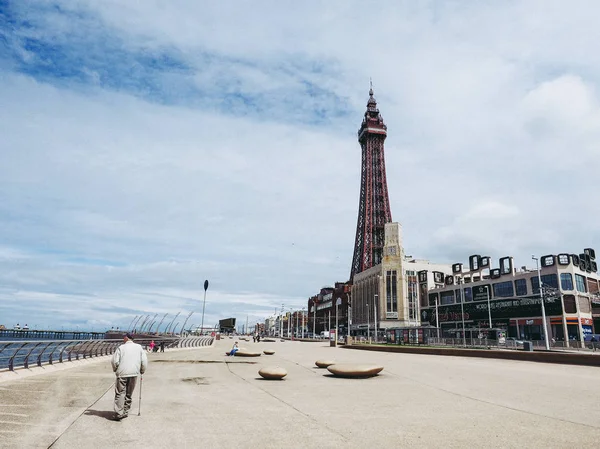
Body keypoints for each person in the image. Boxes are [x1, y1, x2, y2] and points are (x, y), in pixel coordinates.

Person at [111, 333, 148, 421]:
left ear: (127, 338)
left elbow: (114, 361)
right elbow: (144, 360)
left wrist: (116, 369)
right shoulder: (139, 347)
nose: (123, 339)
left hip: (122, 373)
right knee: (129, 393)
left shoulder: (121, 347)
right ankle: (125, 411)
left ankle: (119, 413)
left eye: (124, 337)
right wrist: (142, 370)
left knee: (120, 393)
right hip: (134, 373)